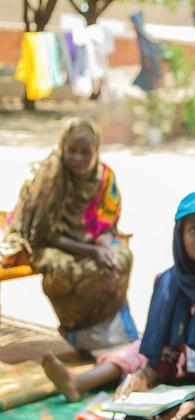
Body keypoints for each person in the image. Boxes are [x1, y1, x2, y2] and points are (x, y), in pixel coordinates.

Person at [42, 192, 195, 420]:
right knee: (134, 413)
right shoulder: (167, 284)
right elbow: (164, 354)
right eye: (193, 229)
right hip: (188, 383)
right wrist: (144, 376)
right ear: (180, 236)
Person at [1, 118, 137, 351]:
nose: (78, 158)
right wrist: (92, 251)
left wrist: (103, 245)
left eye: (86, 152)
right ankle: (78, 334)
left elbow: (106, 221)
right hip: (50, 243)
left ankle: (119, 336)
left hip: (90, 240)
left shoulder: (104, 178)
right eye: (72, 151)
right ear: (62, 147)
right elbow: (41, 234)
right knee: (68, 270)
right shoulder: (50, 178)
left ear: (96, 151)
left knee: (120, 258)